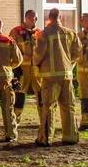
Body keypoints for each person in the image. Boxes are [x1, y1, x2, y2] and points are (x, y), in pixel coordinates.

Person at [34, 8, 81, 146]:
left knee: (48, 106)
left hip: (50, 76)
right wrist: (68, 64)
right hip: (66, 75)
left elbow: (38, 54)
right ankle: (70, 136)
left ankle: (46, 138)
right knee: (68, 106)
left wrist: (36, 64)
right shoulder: (71, 33)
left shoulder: (44, 34)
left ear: (49, 17)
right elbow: (77, 53)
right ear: (60, 17)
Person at [9, 10, 42, 123]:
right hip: (22, 68)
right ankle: (16, 118)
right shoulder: (16, 31)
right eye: (33, 18)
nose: (35, 20)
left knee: (40, 91)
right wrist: (14, 68)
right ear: (26, 18)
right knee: (20, 92)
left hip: (36, 69)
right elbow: (11, 50)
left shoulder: (39, 32)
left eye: (36, 18)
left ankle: (44, 118)